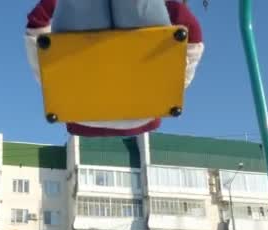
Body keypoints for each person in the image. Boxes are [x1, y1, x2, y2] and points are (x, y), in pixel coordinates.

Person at [25, 0, 204, 137]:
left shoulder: (172, 87)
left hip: (131, 106)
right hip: (92, 105)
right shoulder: (54, 86)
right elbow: (37, 41)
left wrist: (170, 7)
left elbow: (193, 44)